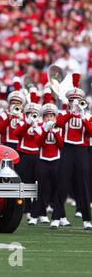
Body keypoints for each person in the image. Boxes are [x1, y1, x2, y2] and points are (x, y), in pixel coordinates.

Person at [56, 73, 92, 230]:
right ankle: (58, 217)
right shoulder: (64, 113)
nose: (75, 103)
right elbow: (58, 124)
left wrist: (83, 116)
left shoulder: (88, 115)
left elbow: (90, 133)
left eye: (77, 101)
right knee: (62, 182)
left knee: (83, 183)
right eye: (72, 101)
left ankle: (86, 220)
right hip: (67, 149)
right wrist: (71, 112)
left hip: (82, 150)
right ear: (69, 102)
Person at [31, 103, 70, 229]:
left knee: (58, 190)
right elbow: (39, 143)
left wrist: (54, 131)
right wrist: (45, 130)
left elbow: (61, 145)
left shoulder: (59, 128)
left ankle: (60, 217)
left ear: (55, 117)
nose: (49, 118)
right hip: (43, 161)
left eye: (52, 116)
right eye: (47, 116)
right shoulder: (38, 128)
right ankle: (38, 215)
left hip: (57, 161)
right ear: (43, 117)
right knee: (42, 189)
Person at [14, 102, 42, 221]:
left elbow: (40, 140)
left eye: (34, 114)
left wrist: (35, 127)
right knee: (24, 182)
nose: (32, 115)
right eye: (29, 113)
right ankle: (26, 208)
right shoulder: (21, 123)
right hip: (24, 154)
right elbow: (17, 134)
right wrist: (27, 123)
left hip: (37, 155)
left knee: (37, 183)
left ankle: (37, 210)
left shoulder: (41, 125)